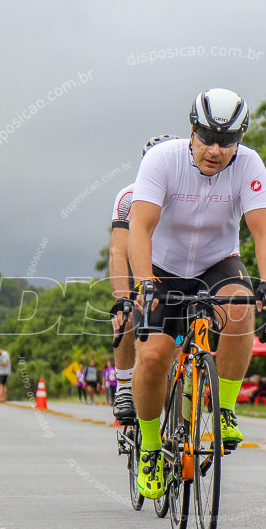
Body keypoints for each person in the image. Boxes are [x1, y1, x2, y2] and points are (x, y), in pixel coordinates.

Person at [128, 88, 266, 499]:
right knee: (156, 354)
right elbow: (139, 228)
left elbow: (264, 231)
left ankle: (224, 409)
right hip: (163, 266)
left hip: (217, 262)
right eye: (207, 138)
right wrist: (145, 283)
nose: (215, 149)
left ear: (240, 139)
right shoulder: (163, 160)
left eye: (227, 141)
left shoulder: (248, 163)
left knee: (240, 308)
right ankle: (150, 448)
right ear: (191, 131)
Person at [109, 134, 180, 424]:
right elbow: (117, 251)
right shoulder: (129, 197)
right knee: (126, 312)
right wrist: (122, 298)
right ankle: (125, 387)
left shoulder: (186, 192)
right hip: (141, 271)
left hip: (175, 273)